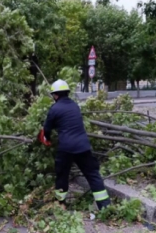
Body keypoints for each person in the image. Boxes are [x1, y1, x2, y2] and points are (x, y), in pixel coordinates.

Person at [39, 79, 111, 209]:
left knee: (62, 175)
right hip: (83, 146)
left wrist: (47, 139)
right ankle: (105, 206)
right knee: (93, 174)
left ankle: (60, 204)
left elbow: (46, 129)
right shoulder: (75, 106)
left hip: (66, 148)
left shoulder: (54, 109)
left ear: (55, 95)